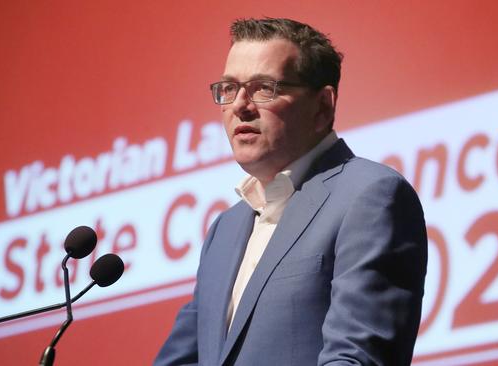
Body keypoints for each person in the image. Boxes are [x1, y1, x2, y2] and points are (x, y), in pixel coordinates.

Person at [155, 17, 427, 366]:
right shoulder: (224, 230)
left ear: (323, 106)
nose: (240, 105)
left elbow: (357, 358)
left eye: (263, 88)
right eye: (229, 88)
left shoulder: (370, 197)